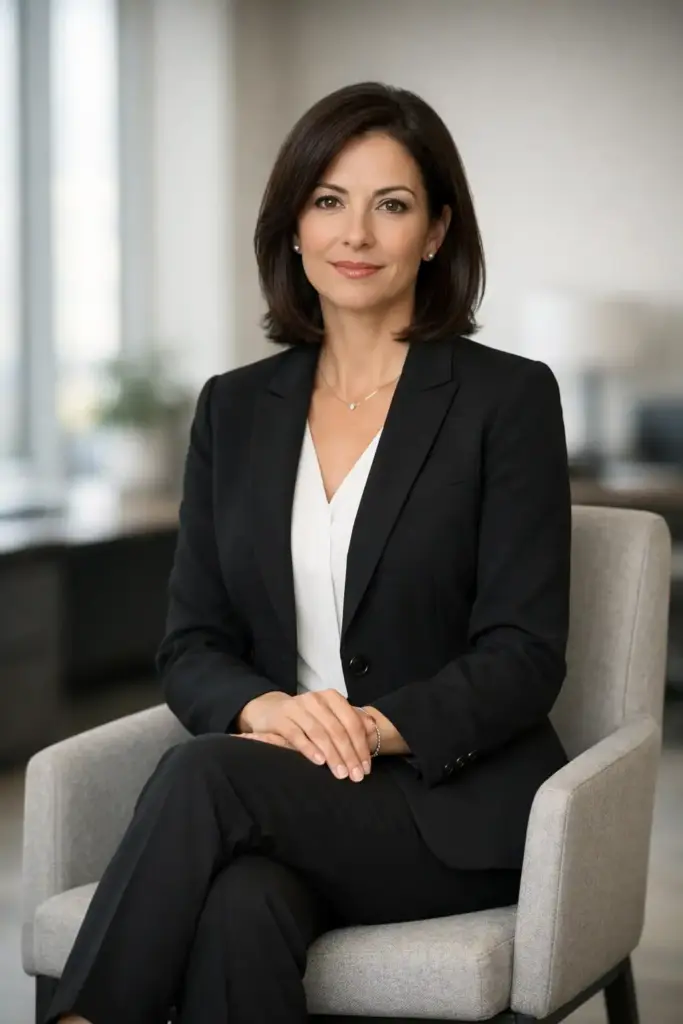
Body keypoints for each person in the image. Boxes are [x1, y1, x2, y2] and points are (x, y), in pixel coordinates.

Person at [48, 80, 571, 1024]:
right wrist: (263, 707)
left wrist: (371, 728)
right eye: (328, 200)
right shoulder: (235, 409)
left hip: (441, 809)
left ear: (438, 231)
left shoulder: (508, 400)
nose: (356, 234)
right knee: (239, 911)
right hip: (286, 796)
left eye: (392, 204)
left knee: (202, 771)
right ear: (293, 226)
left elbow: (523, 654)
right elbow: (192, 643)